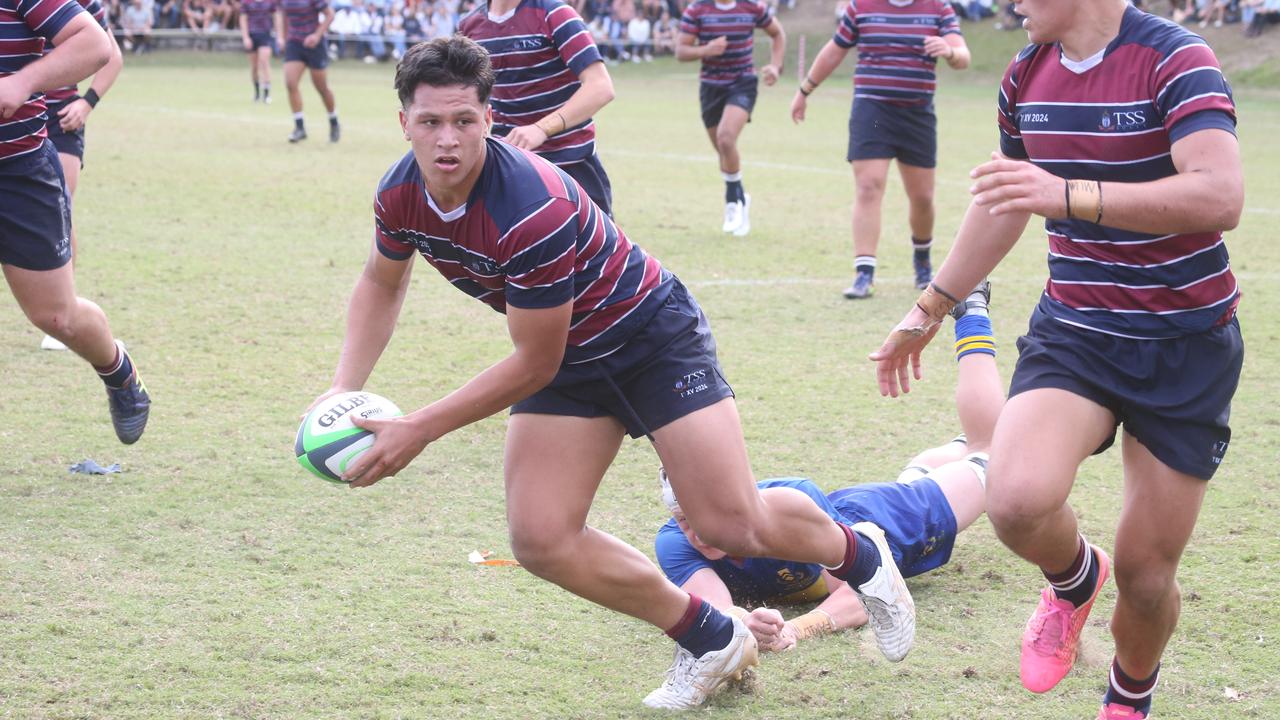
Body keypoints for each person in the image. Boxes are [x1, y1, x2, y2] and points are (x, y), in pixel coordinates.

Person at [309, 36, 917, 711]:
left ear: (489, 118)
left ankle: (863, 559)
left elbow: (532, 361)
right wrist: (343, 389)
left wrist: (419, 427)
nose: (447, 139)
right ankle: (709, 637)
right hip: (571, 359)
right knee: (541, 538)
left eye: (464, 121)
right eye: (430, 122)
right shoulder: (399, 194)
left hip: (652, 338)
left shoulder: (528, 205)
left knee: (729, 523)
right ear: (404, 124)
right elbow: (381, 283)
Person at [870, 2, 1243, 718]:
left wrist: (1068, 195)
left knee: (1145, 575)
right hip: (1076, 332)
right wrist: (929, 308)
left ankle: (1127, 698)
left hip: (1185, 347)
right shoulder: (1026, 75)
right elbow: (1008, 202)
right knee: (1013, 501)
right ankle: (1074, 582)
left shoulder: (1176, 58)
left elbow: (1220, 194)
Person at [657, 283, 1000, 653]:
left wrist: (796, 629)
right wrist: (743, 622)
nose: (698, 533)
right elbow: (716, 607)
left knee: (993, 449)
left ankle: (971, 310)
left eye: (701, 513)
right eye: (684, 520)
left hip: (897, 521)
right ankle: (955, 448)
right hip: (862, 506)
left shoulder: (791, 501)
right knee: (965, 452)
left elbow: (860, 591)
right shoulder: (674, 544)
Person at [0, 0, 151, 444]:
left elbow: (95, 45)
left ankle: (120, 373)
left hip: (19, 171)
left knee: (57, 316)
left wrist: (22, 82)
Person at [790, 0, 969, 299]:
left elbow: (962, 56)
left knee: (922, 197)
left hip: (917, 114)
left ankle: (922, 261)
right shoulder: (861, 7)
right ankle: (864, 273)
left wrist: (950, 52)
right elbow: (835, 49)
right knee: (868, 186)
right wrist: (804, 90)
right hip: (872, 111)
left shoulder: (937, 8)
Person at [458, 0, 618, 216]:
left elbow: (600, 87)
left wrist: (541, 129)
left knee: (593, 249)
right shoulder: (469, 25)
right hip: (510, 167)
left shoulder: (555, 14)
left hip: (570, 165)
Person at [37, 0, 122, 352]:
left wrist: (87, 103)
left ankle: (64, 310)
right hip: (15, 112)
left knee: (60, 206)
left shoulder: (81, 4)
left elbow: (112, 55)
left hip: (61, 115)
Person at [676, 0, 784, 237]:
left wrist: (776, 66)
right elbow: (681, 51)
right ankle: (741, 198)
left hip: (742, 83)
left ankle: (731, 202)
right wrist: (706, 49)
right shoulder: (697, 9)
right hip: (711, 88)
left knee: (726, 139)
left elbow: (777, 33)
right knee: (724, 151)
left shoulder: (751, 6)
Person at [281, 0, 339, 143]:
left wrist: (316, 35)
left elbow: (330, 15)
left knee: (321, 88)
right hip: (294, 43)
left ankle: (334, 121)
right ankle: (299, 127)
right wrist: (283, 37)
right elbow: (284, 16)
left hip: (315, 45)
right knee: (290, 83)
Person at [240, 0, 280, 103]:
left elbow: (276, 16)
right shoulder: (246, 2)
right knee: (254, 67)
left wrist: (278, 34)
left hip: (265, 35)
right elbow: (243, 19)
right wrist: (245, 37)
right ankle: (257, 93)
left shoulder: (270, 2)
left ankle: (266, 94)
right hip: (252, 35)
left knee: (264, 62)